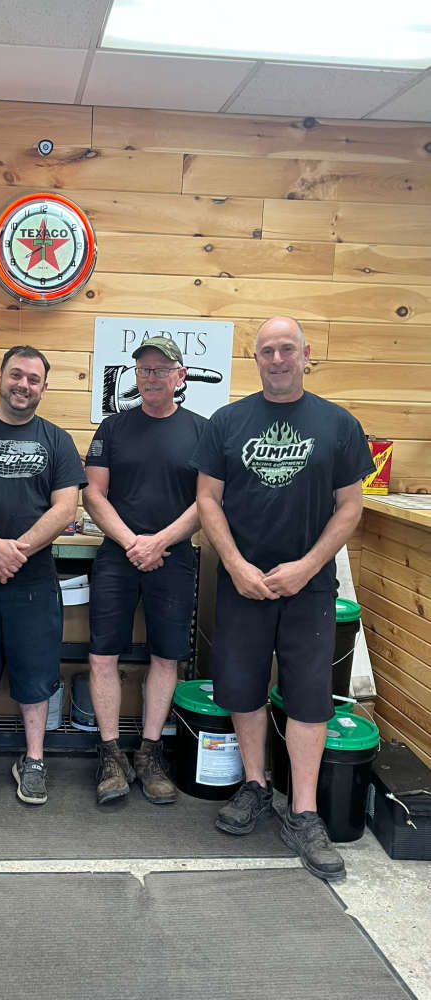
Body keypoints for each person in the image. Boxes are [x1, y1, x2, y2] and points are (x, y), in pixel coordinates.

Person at [192, 315, 375, 881]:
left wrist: (307, 566)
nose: (277, 359)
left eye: (287, 349)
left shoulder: (339, 424)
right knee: (243, 690)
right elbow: (207, 500)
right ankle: (254, 786)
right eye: (267, 350)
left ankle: (304, 813)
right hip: (243, 583)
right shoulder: (226, 422)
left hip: (310, 588)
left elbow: (351, 506)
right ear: (256, 359)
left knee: (309, 700)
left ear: (306, 353)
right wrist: (236, 566)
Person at [0, 346, 85, 808]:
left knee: (36, 675)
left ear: (44, 387)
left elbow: (66, 509)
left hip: (34, 583)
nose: (24, 385)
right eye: (16, 375)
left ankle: (35, 760)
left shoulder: (57, 440)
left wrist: (13, 553)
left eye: (33, 379)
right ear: (0, 378)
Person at [83, 336, 206, 805]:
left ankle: (149, 753)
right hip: (118, 556)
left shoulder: (202, 431)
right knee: (102, 655)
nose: (151, 377)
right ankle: (111, 754)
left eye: (161, 369)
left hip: (174, 557)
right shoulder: (113, 428)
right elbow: (93, 494)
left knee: (166, 657)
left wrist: (159, 541)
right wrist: (133, 542)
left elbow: (207, 501)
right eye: (144, 370)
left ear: (180, 376)